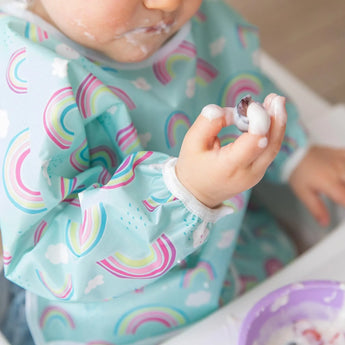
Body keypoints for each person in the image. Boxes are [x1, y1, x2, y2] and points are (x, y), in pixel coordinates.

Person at [1, 0, 345, 344]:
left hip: (230, 253)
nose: (168, 2)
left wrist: (293, 152)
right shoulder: (27, 80)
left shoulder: (176, 21)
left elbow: (238, 79)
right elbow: (44, 250)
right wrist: (185, 193)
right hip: (109, 316)